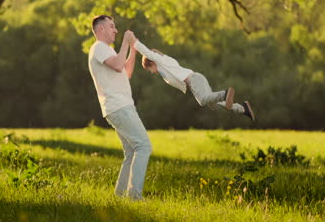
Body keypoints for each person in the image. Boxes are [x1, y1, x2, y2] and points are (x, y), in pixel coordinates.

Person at [88, 15, 151, 200]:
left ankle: (120, 195)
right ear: (100, 29)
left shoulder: (107, 50)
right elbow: (117, 65)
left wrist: (132, 49)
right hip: (119, 106)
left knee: (131, 152)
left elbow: (126, 72)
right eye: (112, 26)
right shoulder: (98, 47)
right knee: (144, 146)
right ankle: (135, 196)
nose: (115, 30)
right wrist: (125, 41)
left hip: (119, 106)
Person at [133, 40, 255, 122]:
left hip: (195, 80)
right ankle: (243, 108)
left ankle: (225, 93)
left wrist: (135, 43)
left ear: (152, 62)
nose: (150, 72)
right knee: (214, 105)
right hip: (196, 80)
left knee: (202, 101)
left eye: (148, 69)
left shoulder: (163, 62)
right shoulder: (163, 69)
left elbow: (147, 52)